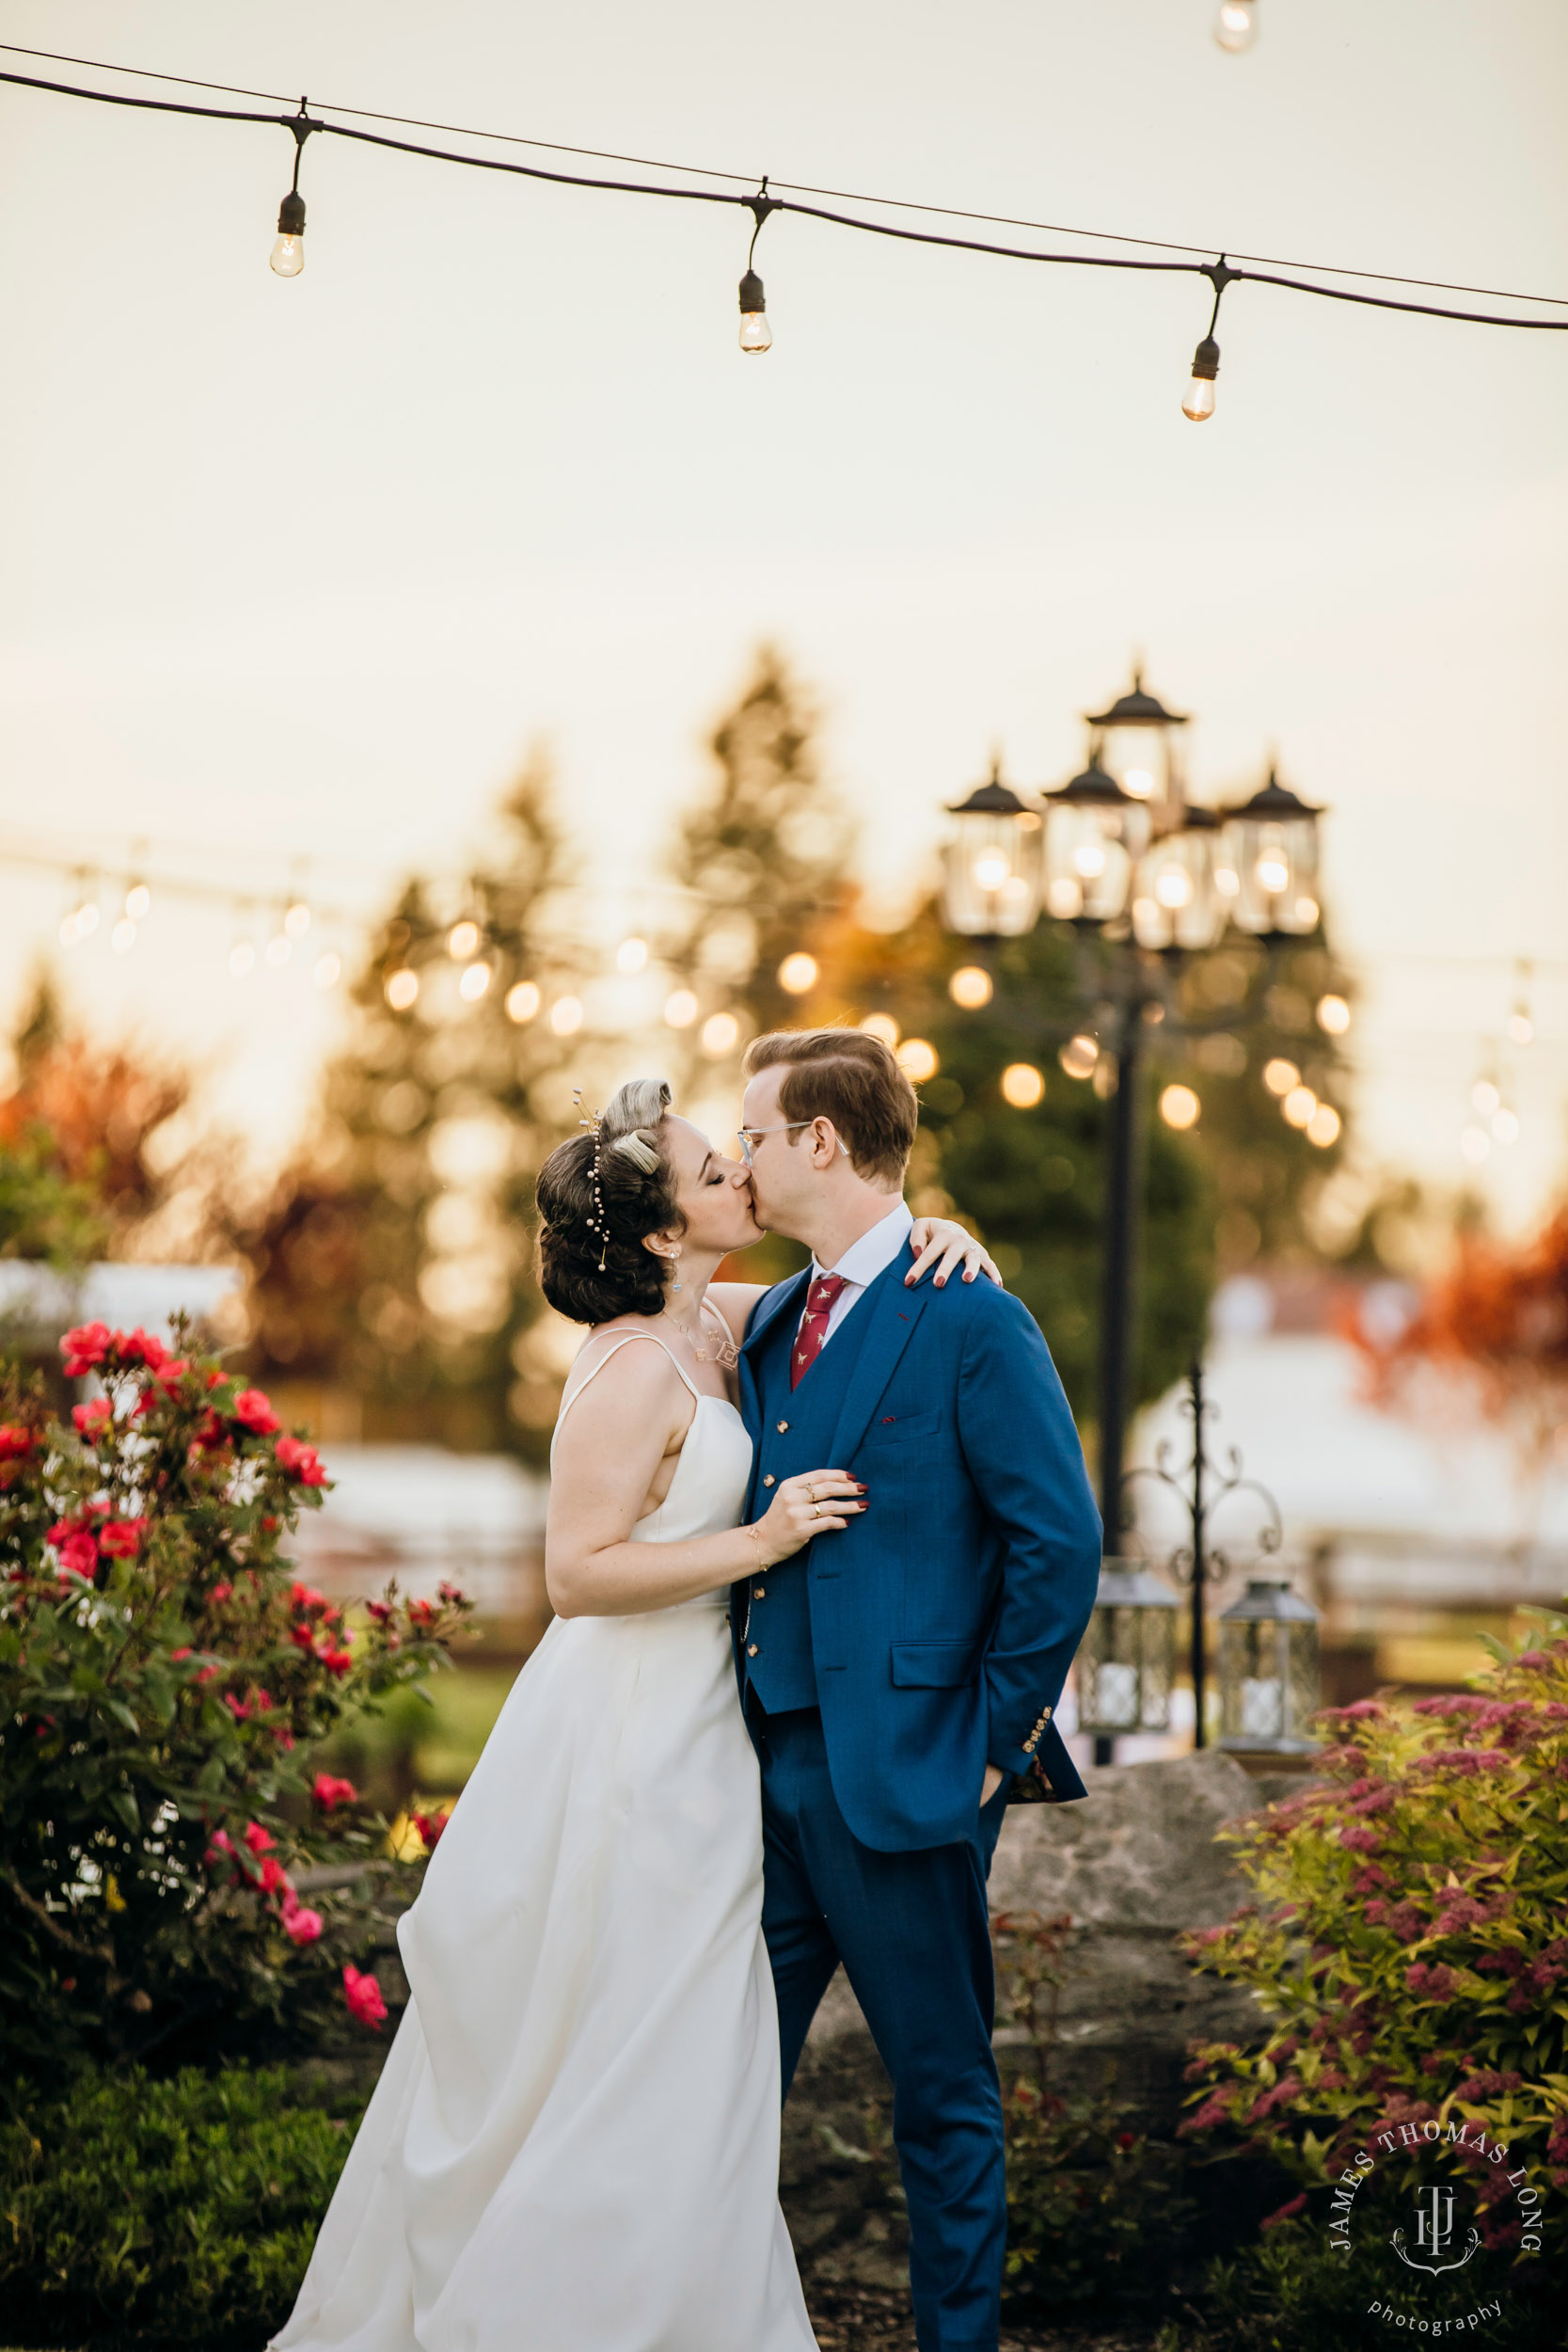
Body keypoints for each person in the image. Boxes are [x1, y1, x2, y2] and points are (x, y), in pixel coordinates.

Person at [271, 1077, 1000, 2352]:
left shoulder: (725, 1325)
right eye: (711, 1169)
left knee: (684, 2058)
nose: (739, 1176)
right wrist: (763, 1540)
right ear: (662, 1232)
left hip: (713, 1732)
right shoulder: (625, 1370)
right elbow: (577, 1576)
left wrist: (942, 1237)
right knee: (623, 2041)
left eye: (738, 1155)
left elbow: (849, 1302)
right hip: (628, 1736)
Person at [734, 1027, 1102, 2352]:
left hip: (912, 1776)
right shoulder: (770, 1318)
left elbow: (1058, 1543)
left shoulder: (973, 1317)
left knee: (941, 2097)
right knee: (713, 2093)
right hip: (754, 1781)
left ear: (820, 1142)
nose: (741, 1159)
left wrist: (994, 1746)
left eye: (758, 1136)